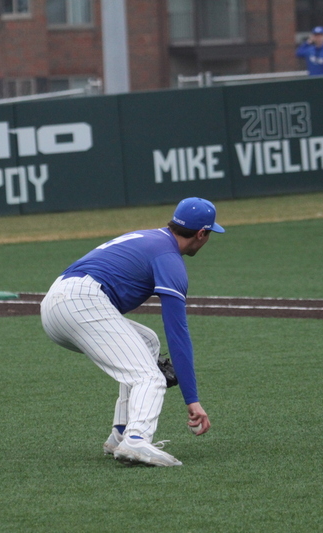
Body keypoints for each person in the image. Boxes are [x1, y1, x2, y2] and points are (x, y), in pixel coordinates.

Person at [40, 197, 225, 467]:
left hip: (54, 304)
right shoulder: (169, 259)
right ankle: (137, 439)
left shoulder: (149, 237)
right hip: (81, 302)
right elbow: (177, 333)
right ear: (201, 234)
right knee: (150, 378)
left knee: (147, 341)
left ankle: (121, 433)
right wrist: (192, 399)